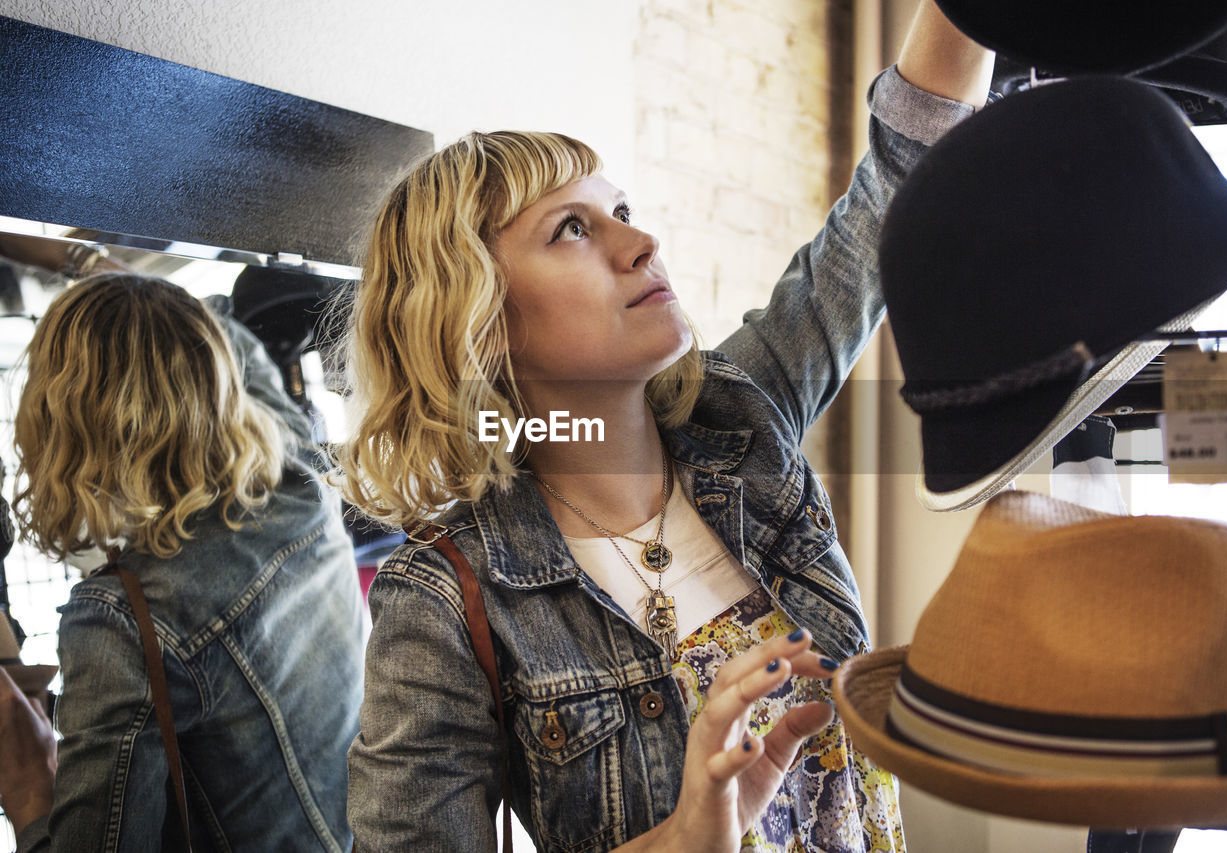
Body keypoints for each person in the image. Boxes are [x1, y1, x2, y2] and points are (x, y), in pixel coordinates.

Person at [338, 3, 993, 850]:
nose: (642, 241)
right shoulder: (443, 601)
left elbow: (902, 174)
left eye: (622, 208)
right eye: (573, 228)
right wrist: (682, 838)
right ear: (480, 320)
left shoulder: (744, 415)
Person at [0, 273, 365, 851]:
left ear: (59, 421)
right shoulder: (298, 481)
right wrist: (129, 296)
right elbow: (225, 337)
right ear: (215, 374)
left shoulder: (125, 620)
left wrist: (28, 792)